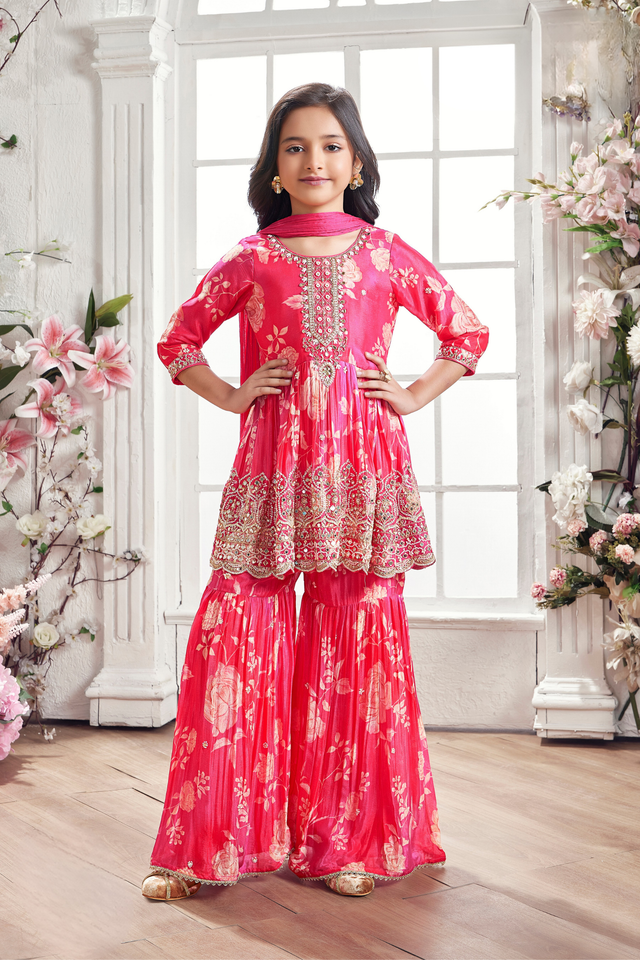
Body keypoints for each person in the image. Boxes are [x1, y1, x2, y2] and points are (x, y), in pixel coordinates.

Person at [142, 82, 488, 902]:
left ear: (357, 161)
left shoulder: (385, 252)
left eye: (331, 145)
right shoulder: (253, 257)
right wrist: (228, 394)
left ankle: (352, 843)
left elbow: (466, 330)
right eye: (295, 147)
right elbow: (178, 338)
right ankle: (209, 847)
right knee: (237, 636)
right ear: (273, 171)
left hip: (364, 470)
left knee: (357, 647)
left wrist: (409, 393)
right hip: (272, 468)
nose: (314, 160)